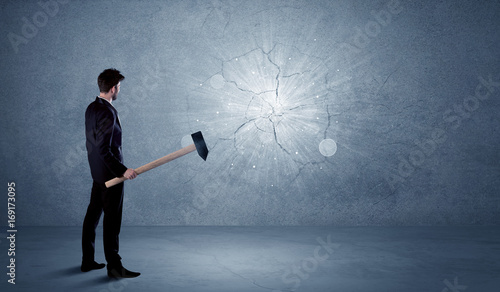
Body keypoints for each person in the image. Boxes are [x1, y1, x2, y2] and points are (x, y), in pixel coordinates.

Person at [81, 68, 140, 279]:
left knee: (92, 217)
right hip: (111, 176)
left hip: (97, 173)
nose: (119, 91)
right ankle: (114, 267)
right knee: (112, 221)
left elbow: (92, 145)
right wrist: (123, 170)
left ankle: (87, 261)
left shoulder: (91, 108)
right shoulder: (108, 112)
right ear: (114, 88)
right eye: (119, 87)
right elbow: (103, 149)